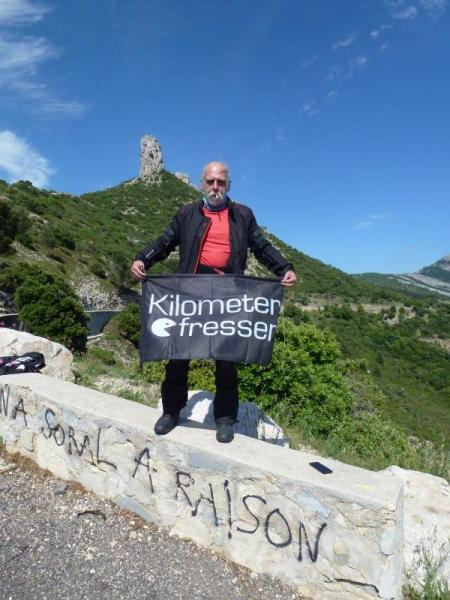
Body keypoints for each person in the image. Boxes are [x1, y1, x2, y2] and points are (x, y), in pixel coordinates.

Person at [131, 161, 296, 443]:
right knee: (178, 352)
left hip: (228, 294)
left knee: (226, 359)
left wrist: (284, 267)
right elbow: (166, 240)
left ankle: (225, 419)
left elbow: (260, 245)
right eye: (210, 182)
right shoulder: (186, 213)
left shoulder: (243, 215)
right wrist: (142, 257)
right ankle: (171, 412)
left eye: (220, 181)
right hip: (190, 293)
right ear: (202, 184)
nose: (215, 187)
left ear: (228, 184)